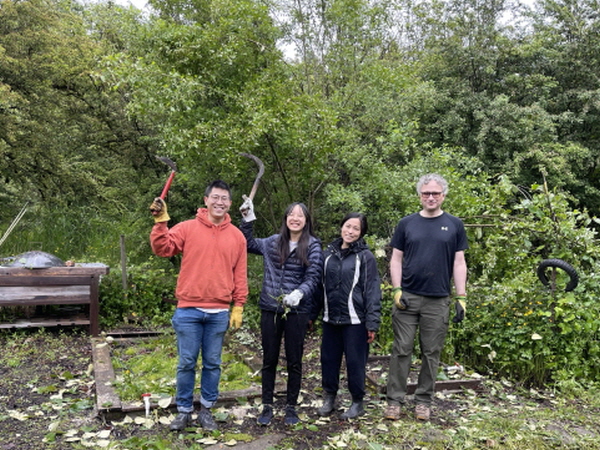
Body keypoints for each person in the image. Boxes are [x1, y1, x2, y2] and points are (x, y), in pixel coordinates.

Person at [149, 180, 248, 432]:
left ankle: (206, 409)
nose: (219, 202)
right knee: (186, 363)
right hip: (188, 311)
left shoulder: (237, 236)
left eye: (224, 199)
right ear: (206, 200)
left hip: (218, 313)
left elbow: (240, 274)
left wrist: (238, 305)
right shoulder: (187, 228)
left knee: (213, 363)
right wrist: (161, 221)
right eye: (215, 197)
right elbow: (163, 248)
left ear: (230, 204)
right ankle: (183, 410)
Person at [384, 173, 468, 422]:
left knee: (431, 352)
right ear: (420, 195)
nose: (431, 197)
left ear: (443, 195)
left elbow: (459, 262)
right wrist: (396, 289)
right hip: (408, 297)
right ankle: (394, 401)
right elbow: (396, 259)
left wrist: (461, 296)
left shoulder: (454, 224)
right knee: (401, 350)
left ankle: (423, 401)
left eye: (435, 193)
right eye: (426, 193)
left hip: (438, 299)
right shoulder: (406, 223)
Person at [239, 197, 324, 426]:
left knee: (294, 360)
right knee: (269, 359)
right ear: (286, 219)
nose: (295, 219)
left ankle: (291, 407)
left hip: (297, 312)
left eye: (300, 215)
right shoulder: (272, 242)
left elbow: (314, 277)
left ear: (306, 221)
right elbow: (246, 243)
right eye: (291, 215)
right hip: (271, 308)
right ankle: (267, 405)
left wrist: (299, 293)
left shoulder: (313, 245)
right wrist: (248, 219)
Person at [313, 212, 382, 419]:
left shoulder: (365, 257)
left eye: (356, 229)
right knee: (329, 359)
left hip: (355, 321)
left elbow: (372, 289)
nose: (350, 231)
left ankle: (357, 402)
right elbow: (318, 287)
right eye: (348, 226)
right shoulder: (327, 255)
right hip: (330, 319)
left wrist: (372, 322)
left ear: (361, 233)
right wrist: (311, 314)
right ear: (341, 226)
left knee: (355, 362)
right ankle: (329, 399)